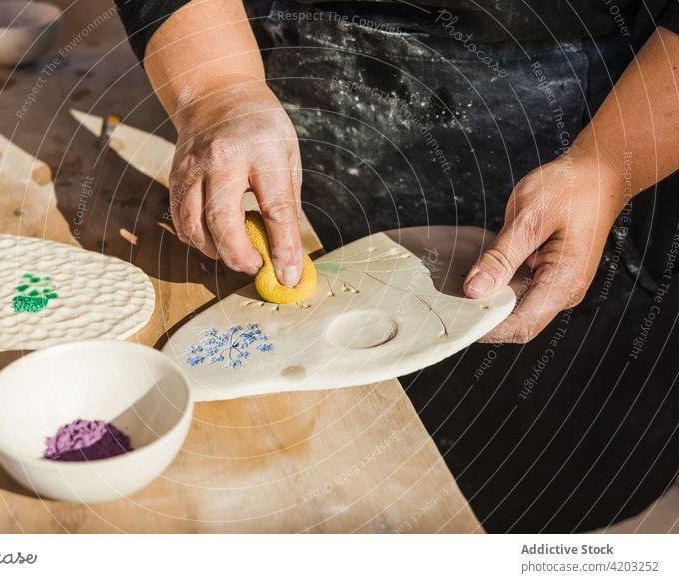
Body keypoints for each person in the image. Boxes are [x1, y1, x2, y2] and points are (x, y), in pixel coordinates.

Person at [115, 0, 679, 532]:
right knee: (314, 495)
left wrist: (607, 167)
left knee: (526, 493)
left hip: (608, 111)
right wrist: (221, 89)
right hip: (296, 93)